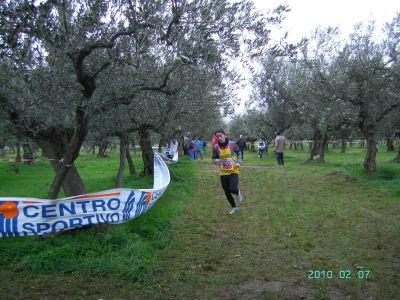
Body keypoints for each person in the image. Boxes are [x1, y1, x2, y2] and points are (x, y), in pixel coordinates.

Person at [212, 129, 243, 215]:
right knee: (227, 192)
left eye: (220, 135)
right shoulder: (216, 147)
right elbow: (213, 159)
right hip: (223, 172)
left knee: (233, 189)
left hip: (233, 170)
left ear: (225, 135)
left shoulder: (232, 144)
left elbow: (239, 153)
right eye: (217, 136)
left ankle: (238, 193)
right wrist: (216, 161)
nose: (219, 138)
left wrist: (238, 162)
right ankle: (234, 207)